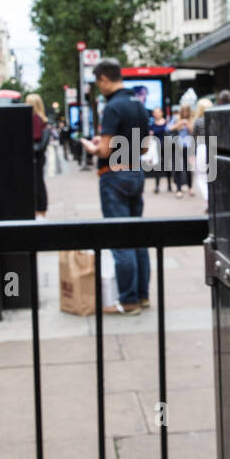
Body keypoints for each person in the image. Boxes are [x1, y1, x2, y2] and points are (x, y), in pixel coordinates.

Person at [80, 58, 151, 315]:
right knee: (138, 236)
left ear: (104, 79)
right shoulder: (138, 105)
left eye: (99, 83)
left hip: (114, 175)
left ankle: (128, 301)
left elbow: (106, 150)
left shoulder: (112, 107)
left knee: (121, 239)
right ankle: (142, 296)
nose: (99, 88)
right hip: (135, 173)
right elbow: (143, 146)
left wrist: (93, 147)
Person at [25, 93, 51, 219]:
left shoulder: (34, 118)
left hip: (34, 156)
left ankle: (39, 208)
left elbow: (35, 137)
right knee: (39, 180)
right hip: (39, 155)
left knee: (35, 182)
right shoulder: (42, 119)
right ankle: (42, 208)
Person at [168, 104, 195, 197]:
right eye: (183, 111)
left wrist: (188, 125)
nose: (185, 113)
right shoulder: (176, 118)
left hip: (188, 146)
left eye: (187, 111)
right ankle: (178, 189)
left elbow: (194, 132)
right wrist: (178, 124)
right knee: (178, 168)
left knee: (188, 169)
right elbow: (168, 128)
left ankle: (190, 188)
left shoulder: (191, 119)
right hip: (178, 146)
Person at [192, 98, 214, 208]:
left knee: (201, 177)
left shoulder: (198, 121)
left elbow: (194, 137)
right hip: (214, 147)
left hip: (202, 148)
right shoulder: (215, 120)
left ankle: (207, 199)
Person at [148, 107, 168, 194]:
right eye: (155, 112)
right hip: (156, 147)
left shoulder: (167, 123)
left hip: (166, 146)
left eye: (158, 112)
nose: (156, 114)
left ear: (161, 113)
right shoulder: (151, 125)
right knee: (157, 166)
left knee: (167, 165)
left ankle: (169, 185)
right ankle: (157, 186)